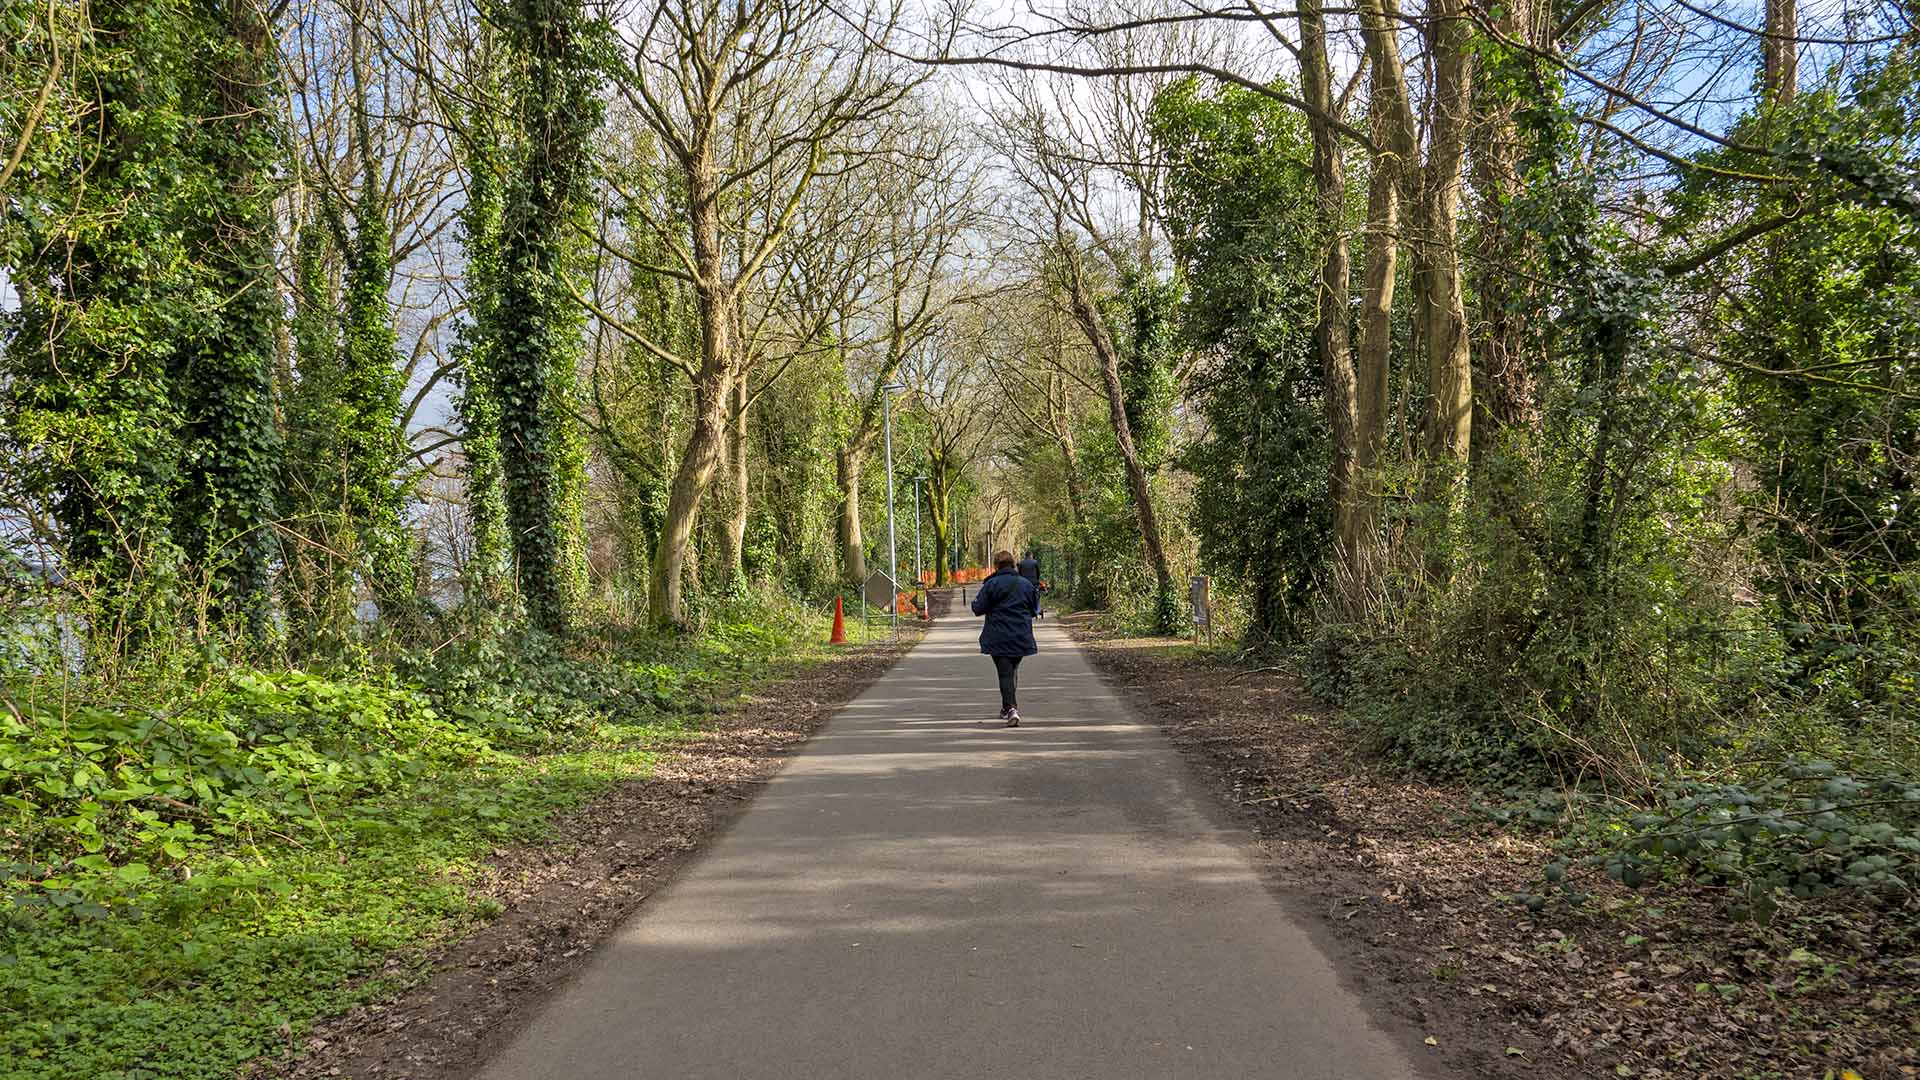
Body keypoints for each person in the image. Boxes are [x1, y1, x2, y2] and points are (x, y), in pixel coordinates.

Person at [971, 549, 1039, 727]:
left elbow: (978, 608)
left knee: (1005, 673)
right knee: (1011, 670)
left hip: (998, 635)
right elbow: (1035, 609)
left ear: (996, 565)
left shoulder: (991, 584)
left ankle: (1011, 709)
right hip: (1021, 634)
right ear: (1013, 564)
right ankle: (1006, 707)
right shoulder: (1025, 584)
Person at [1017, 550, 1042, 619]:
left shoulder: (1021, 563)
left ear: (1025, 556)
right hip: (1034, 583)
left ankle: (1025, 608)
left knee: (1023, 596)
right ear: (1031, 555)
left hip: (1024, 583)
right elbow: (1038, 573)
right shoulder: (1035, 562)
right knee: (1036, 595)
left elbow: (1019, 574)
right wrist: (1036, 580)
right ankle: (1036, 609)